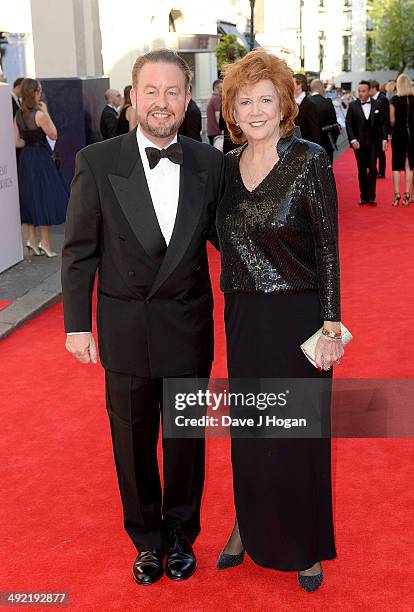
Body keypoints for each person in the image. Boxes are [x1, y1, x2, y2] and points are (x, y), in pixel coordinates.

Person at [61, 48, 223, 587]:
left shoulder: (209, 163)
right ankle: (147, 542)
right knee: (130, 443)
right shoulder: (98, 161)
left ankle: (180, 535)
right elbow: (80, 250)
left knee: (184, 443)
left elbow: (232, 242)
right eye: (150, 91)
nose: (161, 102)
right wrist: (77, 324)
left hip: (187, 325)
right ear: (132, 98)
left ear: (187, 99)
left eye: (172, 91)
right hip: (126, 327)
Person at [217, 48, 344, 593]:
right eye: (244, 101)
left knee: (296, 434)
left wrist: (332, 322)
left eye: (265, 99)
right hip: (244, 315)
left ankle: (304, 542)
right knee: (249, 431)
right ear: (232, 110)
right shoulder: (224, 166)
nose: (255, 110)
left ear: (284, 103)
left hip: (297, 317)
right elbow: (216, 235)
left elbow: (329, 247)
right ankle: (248, 524)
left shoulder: (309, 158)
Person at [14, 78, 68, 256]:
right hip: (40, 159)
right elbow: (53, 134)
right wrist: (46, 112)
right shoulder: (40, 114)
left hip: (26, 158)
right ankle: (45, 242)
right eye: (39, 91)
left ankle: (31, 239)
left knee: (30, 197)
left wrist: (29, 143)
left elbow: (17, 141)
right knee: (45, 197)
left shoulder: (19, 115)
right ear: (35, 92)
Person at [345, 80, 387, 206]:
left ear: (369, 91)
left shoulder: (377, 104)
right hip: (359, 144)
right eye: (359, 91)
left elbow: (383, 123)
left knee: (373, 169)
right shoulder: (353, 106)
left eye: (363, 91)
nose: (361, 94)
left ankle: (372, 196)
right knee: (362, 170)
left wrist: (384, 138)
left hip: (374, 143)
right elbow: (349, 124)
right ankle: (364, 196)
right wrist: (353, 140)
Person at [389, 73, 414, 207]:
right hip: (412, 133)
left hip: (399, 133)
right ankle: (407, 194)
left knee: (396, 164)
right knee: (410, 163)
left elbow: (391, 120)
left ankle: (397, 194)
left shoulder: (394, 100)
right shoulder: (413, 99)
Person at [308, 79, 340, 163]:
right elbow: (334, 124)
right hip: (326, 143)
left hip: (308, 145)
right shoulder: (327, 102)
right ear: (321, 88)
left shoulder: (306, 103)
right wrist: (333, 140)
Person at [369, 79, 390, 178]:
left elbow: (386, 119)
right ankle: (374, 170)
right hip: (372, 132)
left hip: (381, 132)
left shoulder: (383, 99)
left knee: (381, 154)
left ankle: (381, 172)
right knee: (373, 152)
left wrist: (385, 135)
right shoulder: (371, 99)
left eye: (369, 89)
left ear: (373, 88)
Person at [293, 73, 319, 143]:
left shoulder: (310, 104)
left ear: (299, 85)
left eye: (292, 83)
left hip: (305, 146)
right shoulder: (290, 102)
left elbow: (314, 130)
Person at [206, 79, 222, 144]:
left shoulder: (212, 98)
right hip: (216, 133)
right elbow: (218, 116)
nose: (222, 90)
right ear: (217, 88)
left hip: (211, 132)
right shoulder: (217, 99)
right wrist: (222, 130)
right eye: (221, 88)